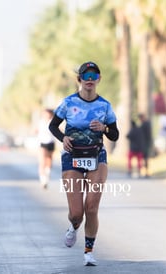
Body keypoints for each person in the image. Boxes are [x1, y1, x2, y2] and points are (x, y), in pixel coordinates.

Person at [49, 61, 119, 266]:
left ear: (99, 79)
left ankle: (89, 251)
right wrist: (64, 139)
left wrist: (104, 128)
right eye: (85, 76)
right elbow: (52, 126)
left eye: (93, 76)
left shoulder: (105, 105)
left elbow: (115, 134)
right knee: (77, 213)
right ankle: (73, 227)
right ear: (79, 79)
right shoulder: (68, 102)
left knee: (92, 207)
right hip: (72, 157)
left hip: (97, 157)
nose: (89, 80)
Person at [37, 108, 56, 189]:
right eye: (44, 114)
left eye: (47, 114)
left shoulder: (53, 121)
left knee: (49, 161)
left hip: (51, 143)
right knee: (42, 161)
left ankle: (47, 176)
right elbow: (35, 130)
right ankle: (43, 179)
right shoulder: (40, 122)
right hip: (42, 143)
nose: (46, 115)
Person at [138, 113, 152, 177]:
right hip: (145, 143)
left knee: (145, 158)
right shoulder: (146, 124)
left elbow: (147, 135)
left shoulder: (145, 124)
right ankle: (144, 171)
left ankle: (146, 172)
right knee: (144, 158)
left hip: (145, 143)